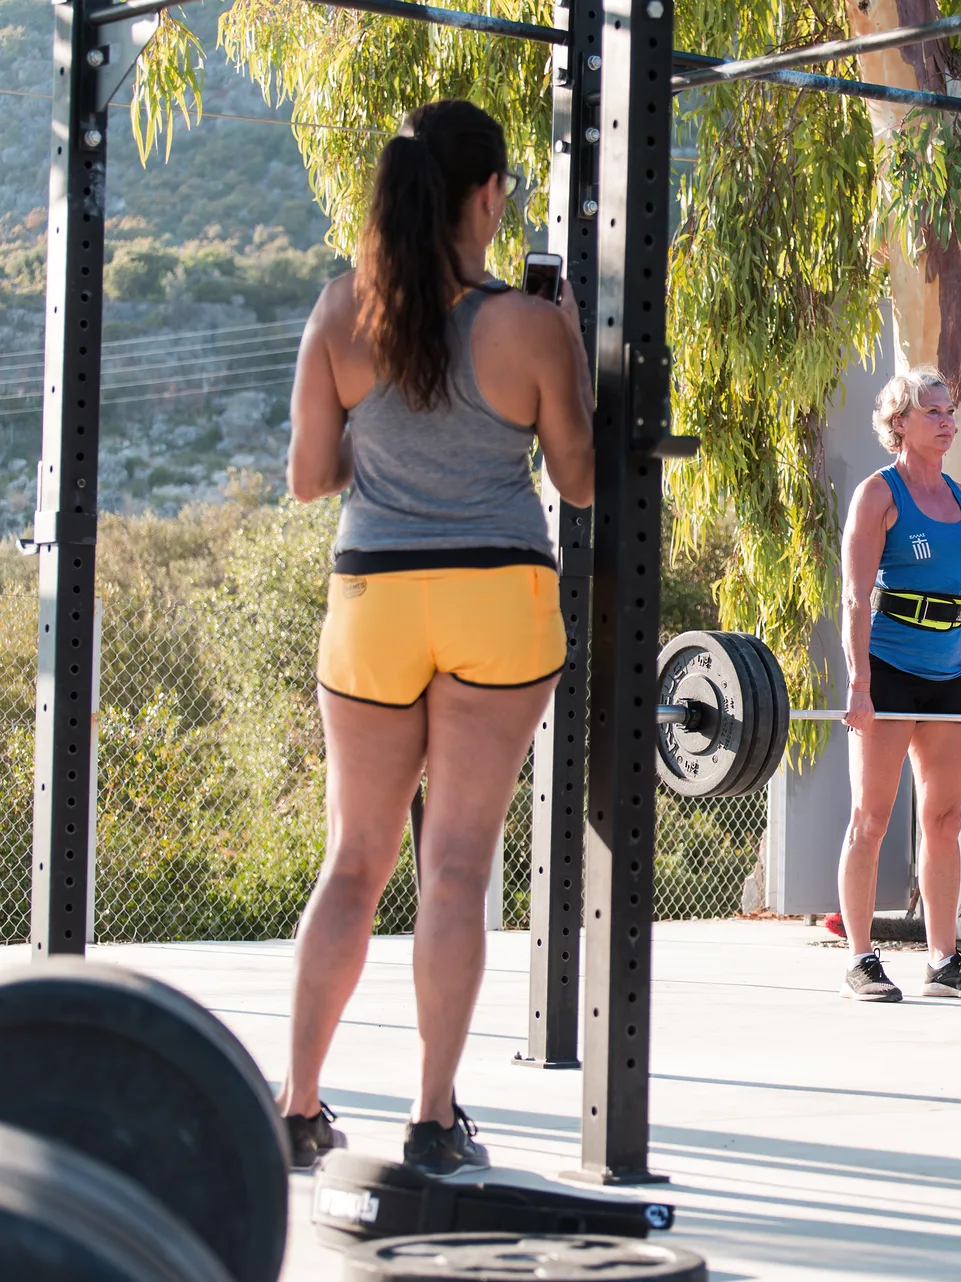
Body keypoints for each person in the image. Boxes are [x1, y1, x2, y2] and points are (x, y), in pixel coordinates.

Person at [276, 100, 594, 1172]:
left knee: (354, 863)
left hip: (374, 597)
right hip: (496, 596)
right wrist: (574, 348)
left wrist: (394, 451)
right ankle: (430, 1120)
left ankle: (299, 1106)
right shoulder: (529, 325)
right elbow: (580, 480)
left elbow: (311, 477)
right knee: (454, 866)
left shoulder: (337, 314)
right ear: (491, 194)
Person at [835, 367, 961, 1003]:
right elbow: (857, 595)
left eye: (950, 410)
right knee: (872, 818)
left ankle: (943, 962)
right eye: (933, 411)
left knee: (943, 820)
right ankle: (861, 958)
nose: (947, 420)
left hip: (949, 676)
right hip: (887, 671)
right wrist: (859, 682)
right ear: (901, 423)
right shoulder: (878, 495)